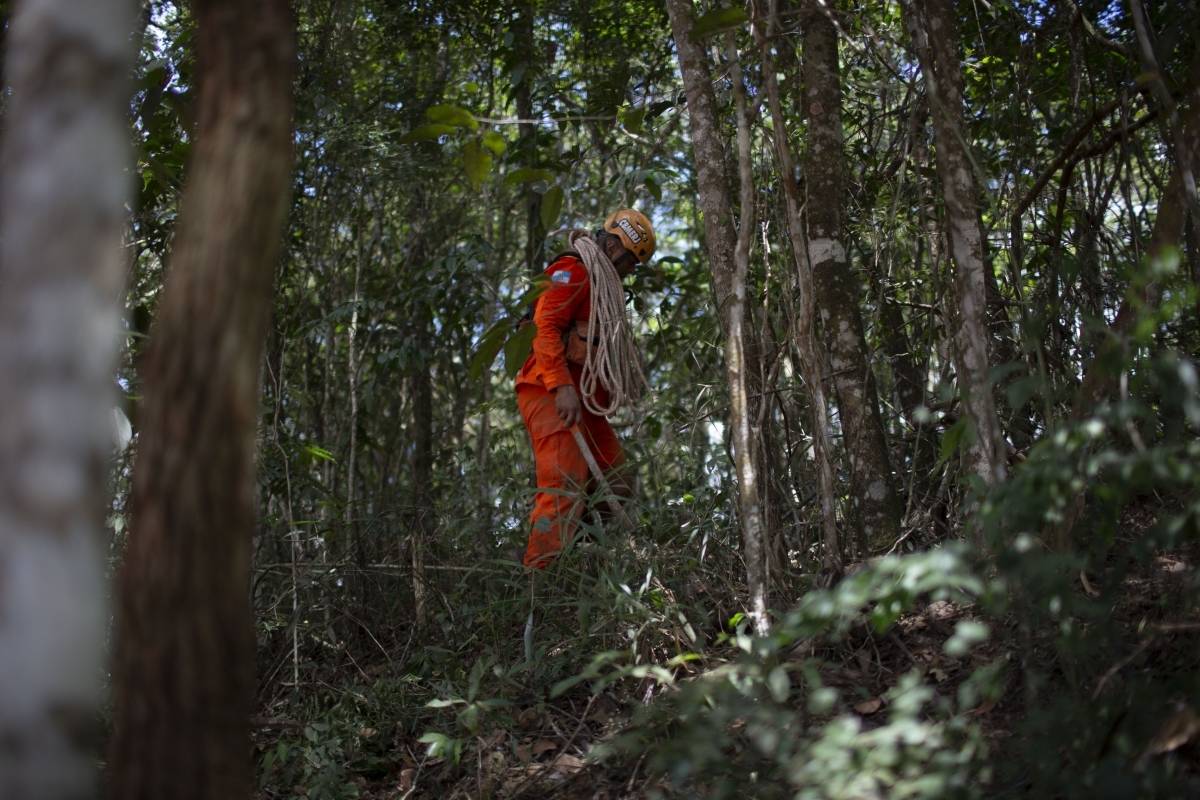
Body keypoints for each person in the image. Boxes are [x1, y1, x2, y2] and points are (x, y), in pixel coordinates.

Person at [514, 208, 656, 568]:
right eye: (628, 262)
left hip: (584, 404)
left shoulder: (600, 285)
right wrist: (561, 386)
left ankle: (579, 565)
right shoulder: (573, 271)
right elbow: (545, 328)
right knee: (563, 486)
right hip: (549, 391)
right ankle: (540, 585)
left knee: (617, 480)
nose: (628, 272)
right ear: (611, 244)